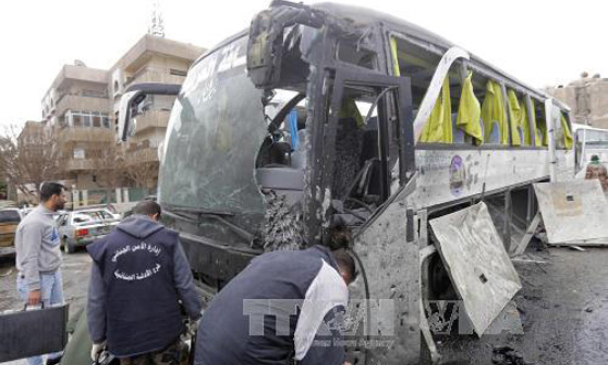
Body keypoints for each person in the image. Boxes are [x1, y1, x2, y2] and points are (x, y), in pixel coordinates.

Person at [194, 229, 357, 365]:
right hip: (242, 355)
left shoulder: (277, 258)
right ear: (344, 277)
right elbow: (321, 359)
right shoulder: (332, 280)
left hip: (206, 343)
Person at [87, 201, 202, 365]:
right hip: (165, 333)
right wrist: (195, 315)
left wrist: (97, 337)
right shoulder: (168, 240)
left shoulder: (104, 247)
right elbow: (184, 284)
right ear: (155, 217)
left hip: (125, 339)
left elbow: (96, 299)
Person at [15, 182, 67, 365]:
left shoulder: (48, 217)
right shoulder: (34, 222)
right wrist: (34, 288)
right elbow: (29, 257)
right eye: (63, 196)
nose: (65, 199)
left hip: (52, 275)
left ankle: (54, 359)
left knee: (55, 322)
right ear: (54, 198)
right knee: (36, 327)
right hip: (39, 280)